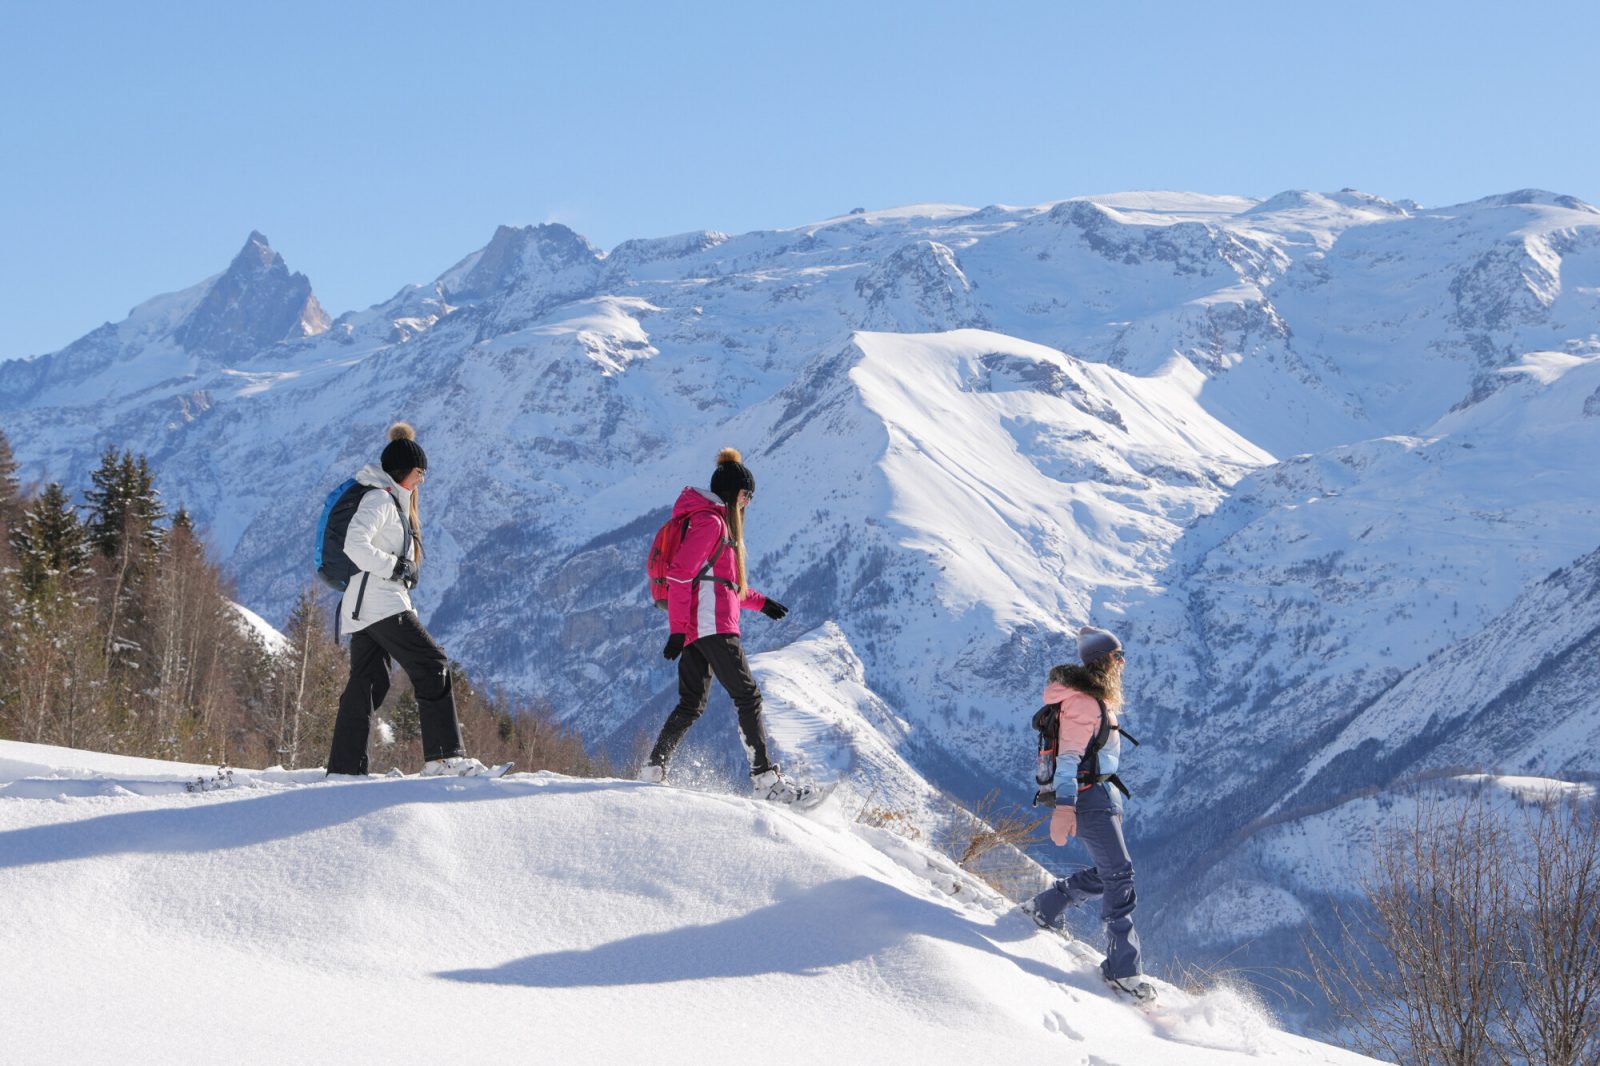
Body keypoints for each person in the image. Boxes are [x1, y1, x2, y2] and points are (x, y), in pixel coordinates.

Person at [639, 447, 813, 804]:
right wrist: (676, 628)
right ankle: (766, 782)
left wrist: (762, 603)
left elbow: (722, 584)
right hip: (712, 626)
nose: (749, 503)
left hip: (698, 627)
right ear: (735, 494)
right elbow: (681, 574)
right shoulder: (713, 523)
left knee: (691, 704)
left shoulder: (710, 522)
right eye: (747, 495)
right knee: (748, 696)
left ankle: (654, 768)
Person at [325, 423, 489, 778]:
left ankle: (344, 769)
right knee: (431, 663)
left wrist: (403, 568)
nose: (423, 479)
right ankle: (444, 758)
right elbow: (354, 545)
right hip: (379, 603)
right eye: (419, 472)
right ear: (403, 471)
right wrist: (396, 567)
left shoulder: (391, 501)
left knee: (367, 683)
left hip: (366, 606)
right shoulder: (379, 500)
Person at [1022, 625, 1156, 1003]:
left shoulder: (1097, 699)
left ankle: (1046, 908)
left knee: (1106, 871)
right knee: (1119, 873)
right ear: (1103, 661)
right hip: (1088, 798)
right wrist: (1065, 807)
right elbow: (1068, 760)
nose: (1123, 662)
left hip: (1104, 796)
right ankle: (1122, 970)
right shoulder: (1083, 703)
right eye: (1118, 656)